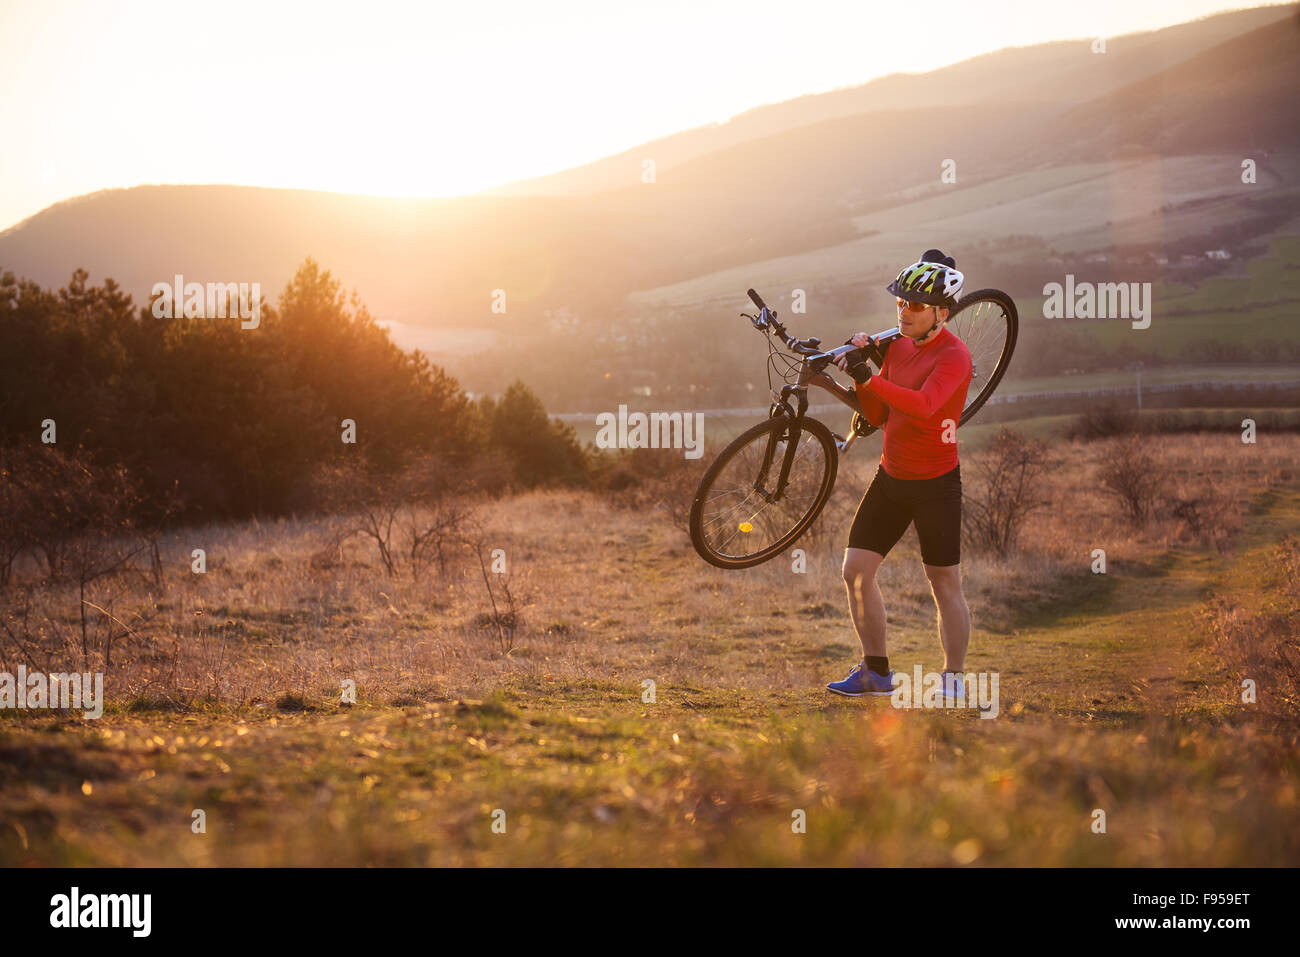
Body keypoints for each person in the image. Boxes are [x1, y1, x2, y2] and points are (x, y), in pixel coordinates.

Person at [825, 249, 973, 698]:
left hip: (936, 484)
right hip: (892, 477)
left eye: (915, 305)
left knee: (943, 581)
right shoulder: (900, 346)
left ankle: (954, 678)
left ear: (941, 313)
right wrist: (858, 376)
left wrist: (870, 377)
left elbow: (926, 407)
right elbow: (879, 411)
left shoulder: (955, 357)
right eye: (900, 303)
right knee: (855, 572)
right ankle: (876, 672)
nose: (903, 312)